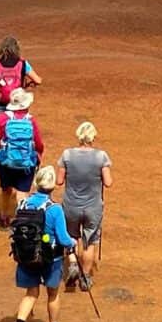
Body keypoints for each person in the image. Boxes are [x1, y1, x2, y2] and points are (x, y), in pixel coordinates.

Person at [5, 163, 76, 322]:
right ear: (52, 186)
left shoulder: (23, 204)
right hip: (51, 259)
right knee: (52, 293)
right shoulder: (55, 209)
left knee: (31, 293)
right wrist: (73, 242)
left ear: (36, 183)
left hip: (27, 256)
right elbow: (63, 238)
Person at [58, 121, 112, 289]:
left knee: (71, 236)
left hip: (71, 206)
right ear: (93, 137)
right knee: (89, 240)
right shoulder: (101, 156)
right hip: (93, 207)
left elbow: (59, 181)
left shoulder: (67, 155)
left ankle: (73, 263)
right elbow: (108, 182)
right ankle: (85, 278)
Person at [0, 87, 43, 227]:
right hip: (26, 161)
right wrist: (39, 155)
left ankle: (4, 217)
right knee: (22, 192)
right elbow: (39, 143)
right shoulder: (31, 121)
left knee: (6, 189)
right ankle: (22, 221)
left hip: (6, 161)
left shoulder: (3, 118)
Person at [0, 36, 37, 115]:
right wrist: (26, 84)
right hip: (18, 106)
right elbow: (38, 80)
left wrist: (0, 86)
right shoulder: (23, 64)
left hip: (0, 106)